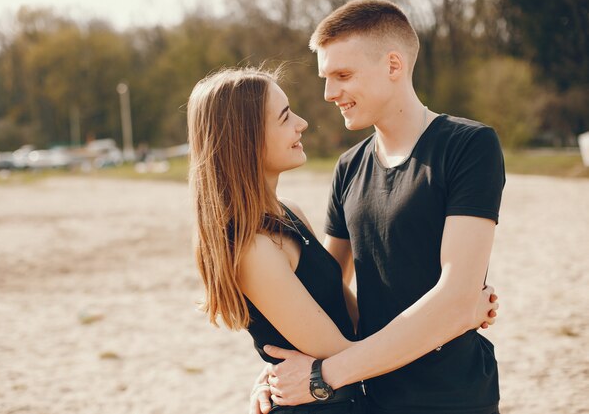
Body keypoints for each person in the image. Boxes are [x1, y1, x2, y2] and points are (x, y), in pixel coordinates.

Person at [187, 66, 499, 414]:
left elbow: (351, 319)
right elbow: (341, 352)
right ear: (245, 139)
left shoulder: (289, 213)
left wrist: (450, 314)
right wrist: (455, 319)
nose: (302, 123)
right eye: (285, 117)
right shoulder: (253, 249)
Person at [253, 0, 506, 414]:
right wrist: (272, 378)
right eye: (326, 77)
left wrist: (323, 375)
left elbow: (457, 297)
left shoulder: (468, 146)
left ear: (393, 65)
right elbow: (326, 294)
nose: (329, 93)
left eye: (343, 75)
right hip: (366, 398)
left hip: (452, 396)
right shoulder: (349, 167)